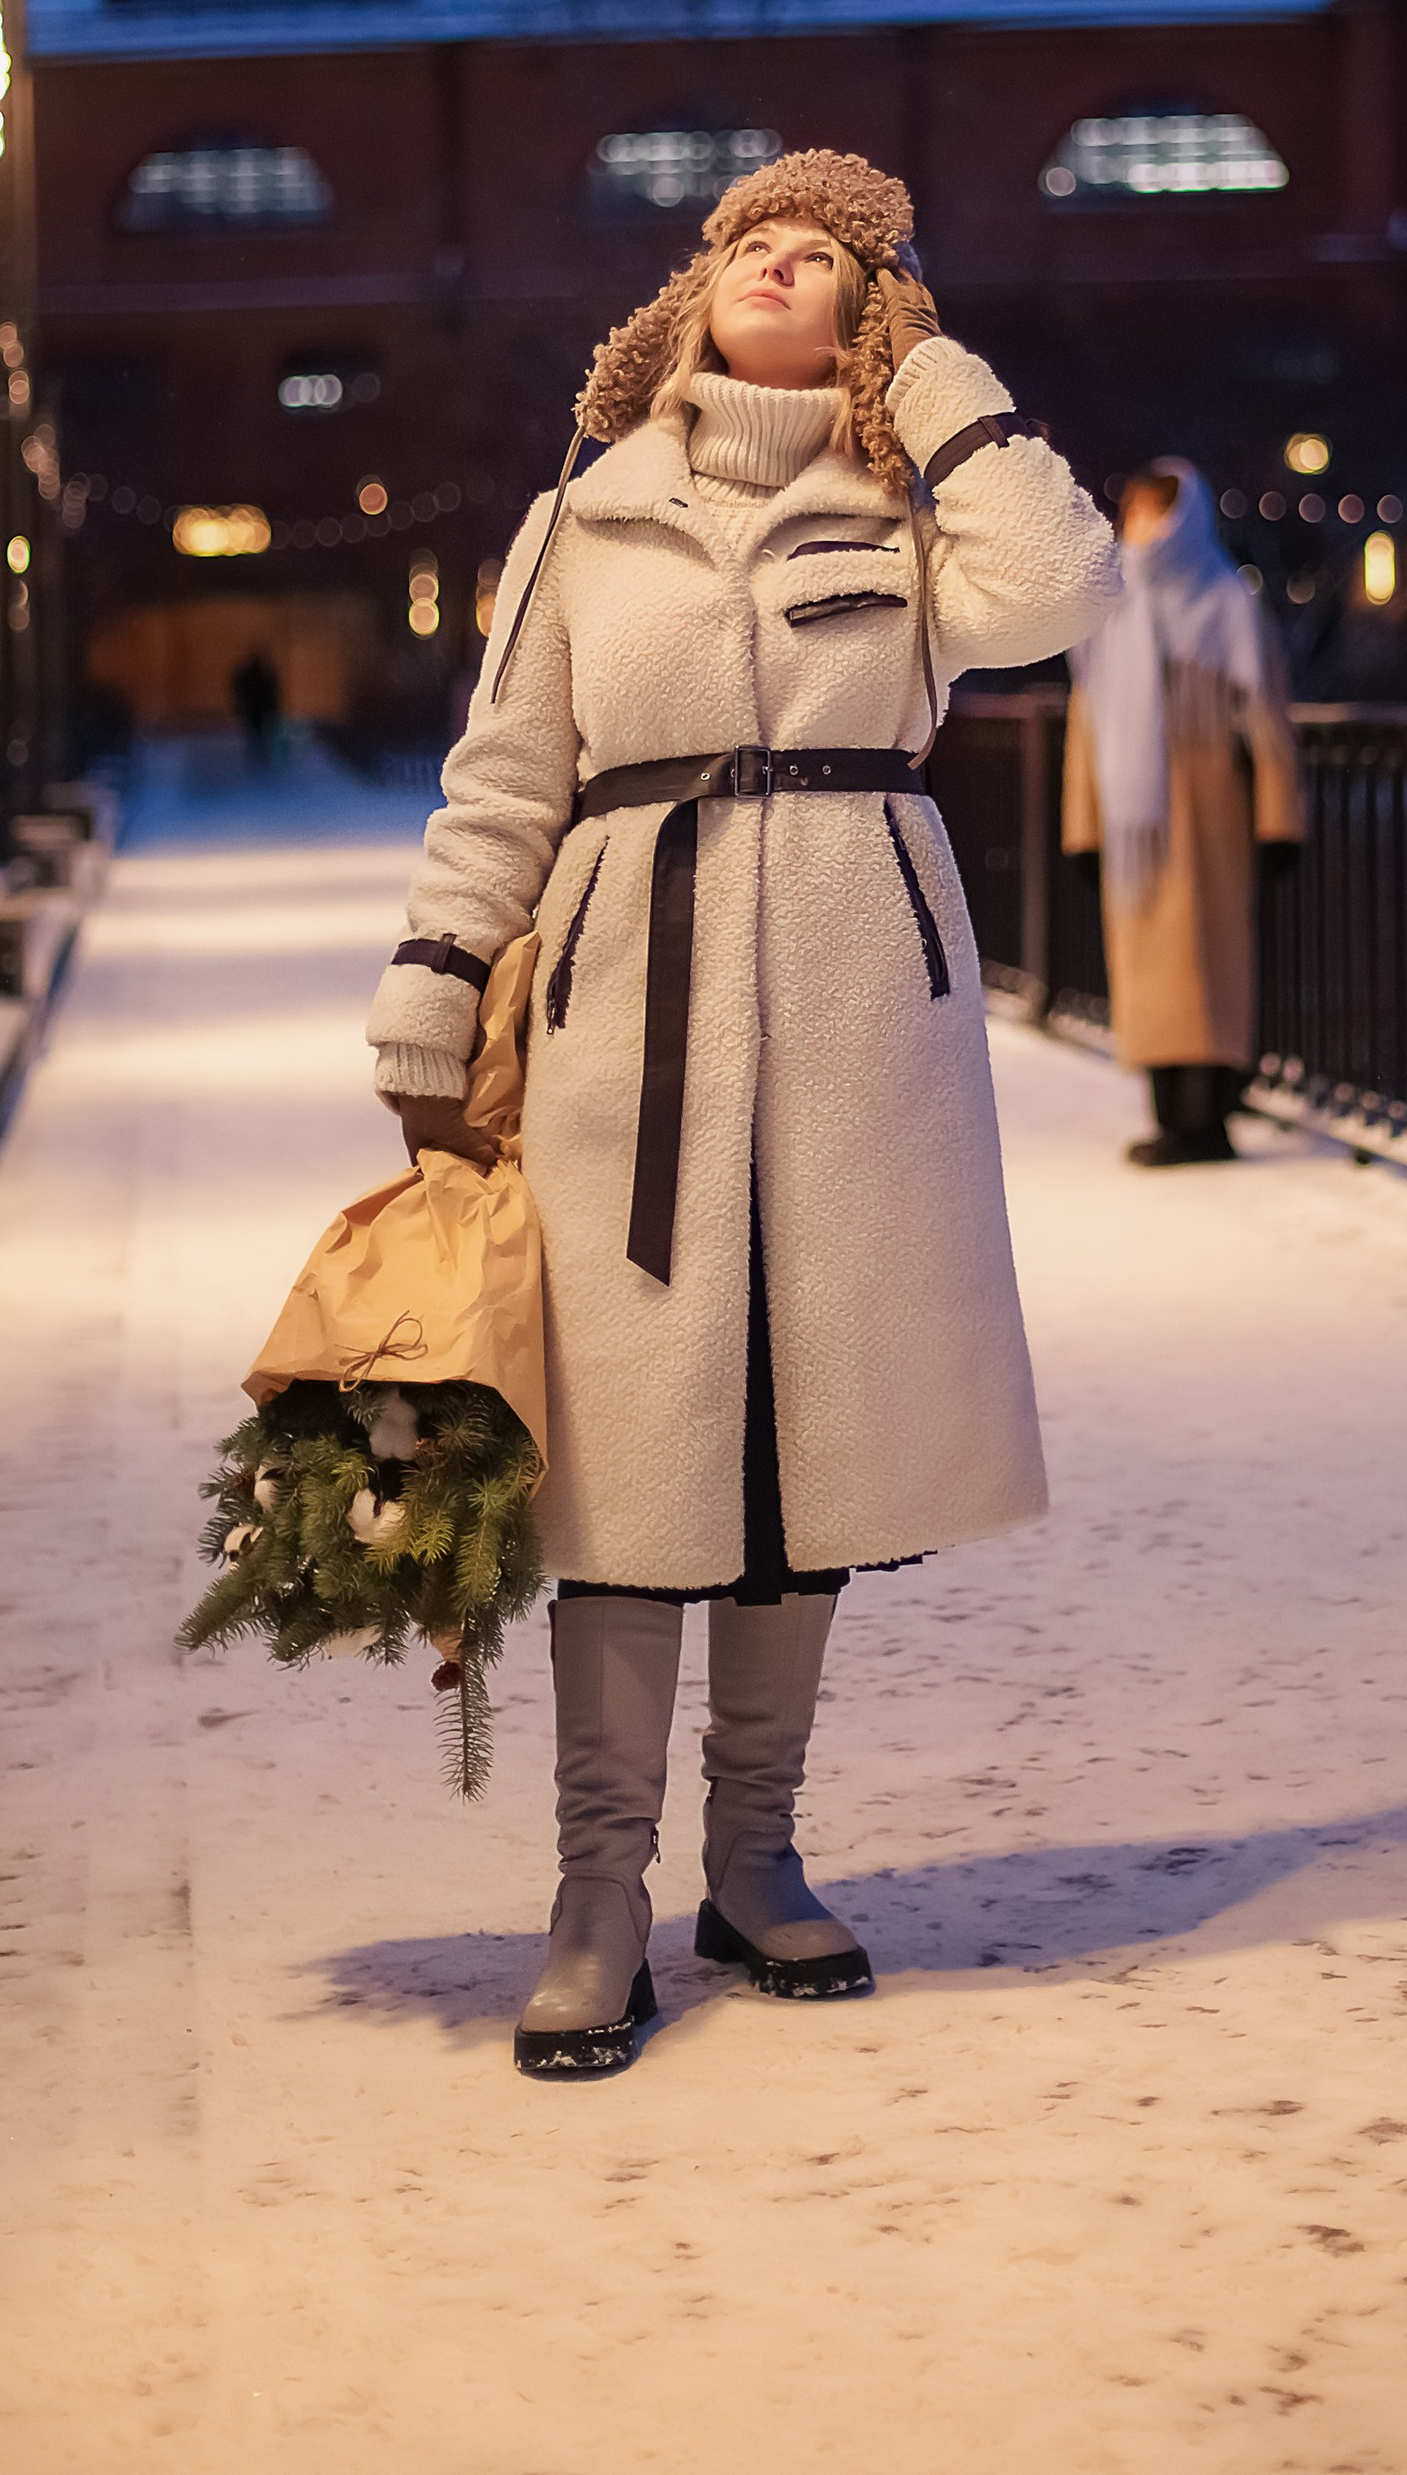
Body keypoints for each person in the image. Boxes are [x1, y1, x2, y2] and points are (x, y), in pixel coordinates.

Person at [365, 148, 1118, 2078]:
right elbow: (507, 775)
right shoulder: (582, 520)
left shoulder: (918, 508)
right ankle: (598, 1894)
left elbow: (1063, 587)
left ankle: (755, 1856)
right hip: (635, 1014)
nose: (783, 267)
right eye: (751, 247)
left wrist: (938, 385)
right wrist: (441, 979)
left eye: (834, 258)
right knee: (628, 1457)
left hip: (867, 1028)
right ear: (687, 296)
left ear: (874, 311)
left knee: (805, 1448)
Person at [1062, 458, 1302, 1167]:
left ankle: (1208, 1118)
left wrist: (1278, 821)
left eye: (1147, 512)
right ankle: (1172, 1115)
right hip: (1136, 821)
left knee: (1211, 962)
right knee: (1148, 970)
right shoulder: (1112, 607)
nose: (1134, 527)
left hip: (1209, 814)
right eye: (1131, 512)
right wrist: (1083, 828)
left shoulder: (1226, 602)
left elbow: (1266, 721)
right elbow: (1089, 724)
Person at [230, 643, 282, 769]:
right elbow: (240, 689)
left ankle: (258, 756)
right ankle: (258, 757)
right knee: (256, 730)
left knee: (257, 731)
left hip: (258, 706)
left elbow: (272, 691)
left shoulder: (261, 674)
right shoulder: (260, 674)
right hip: (256, 706)